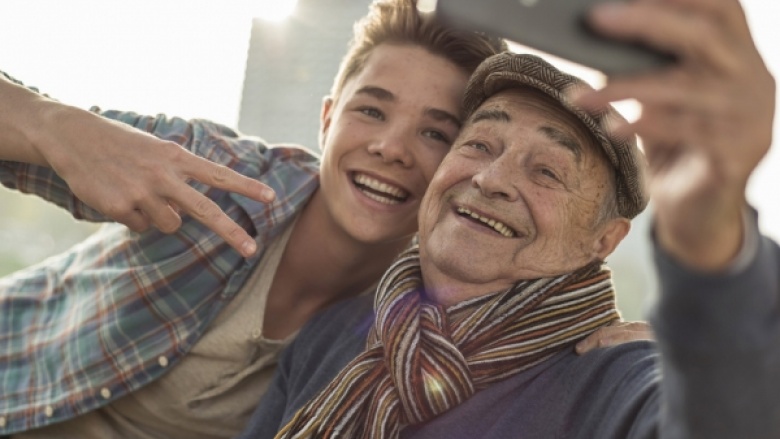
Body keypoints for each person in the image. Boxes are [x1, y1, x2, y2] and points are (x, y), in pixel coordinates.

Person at [238, 0, 780, 437]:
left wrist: (710, 239)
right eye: (477, 143)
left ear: (604, 240)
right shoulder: (332, 337)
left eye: (546, 171)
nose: (491, 179)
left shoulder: (614, 379)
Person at [0, 1, 509, 437]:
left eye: (436, 134)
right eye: (372, 111)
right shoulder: (212, 174)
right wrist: (57, 127)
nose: (391, 148)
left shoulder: (424, 317)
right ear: (328, 118)